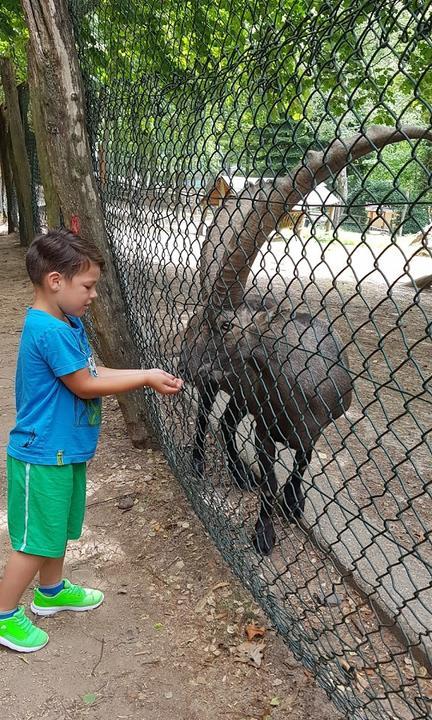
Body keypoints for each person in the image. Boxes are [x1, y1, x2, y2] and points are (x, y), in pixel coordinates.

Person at [0, 228, 183, 653]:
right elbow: (85, 384)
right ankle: (6, 616)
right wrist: (144, 377)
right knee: (34, 541)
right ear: (55, 281)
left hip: (64, 451)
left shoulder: (68, 321)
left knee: (58, 529)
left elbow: (94, 372)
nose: (93, 295)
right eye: (88, 285)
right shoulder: (48, 331)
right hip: (41, 454)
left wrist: (147, 375)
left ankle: (50, 593)